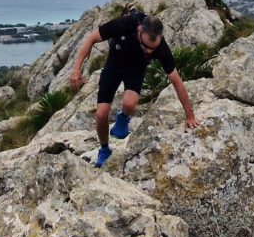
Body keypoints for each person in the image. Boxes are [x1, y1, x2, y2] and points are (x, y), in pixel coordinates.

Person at [68, 9, 199, 167]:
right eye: (145, 46)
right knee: (101, 114)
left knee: (130, 104)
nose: (149, 51)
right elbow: (91, 38)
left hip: (136, 68)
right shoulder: (125, 24)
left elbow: (177, 82)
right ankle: (104, 149)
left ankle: (122, 120)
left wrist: (190, 115)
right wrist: (76, 68)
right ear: (139, 30)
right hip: (114, 64)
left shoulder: (161, 48)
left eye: (152, 49)